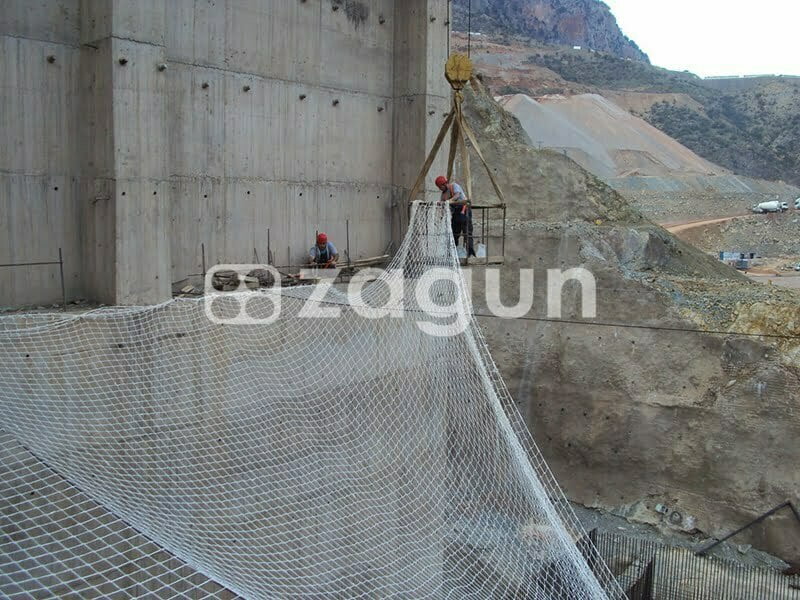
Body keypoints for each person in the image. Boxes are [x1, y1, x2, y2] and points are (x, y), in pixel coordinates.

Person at [435, 175, 475, 257]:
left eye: (440, 187)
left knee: (467, 232)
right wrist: (440, 217)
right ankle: (452, 253)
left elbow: (457, 195)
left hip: (464, 210)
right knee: (454, 233)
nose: (440, 189)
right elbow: (443, 207)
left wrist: (449, 201)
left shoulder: (454, 186)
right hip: (456, 212)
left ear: (444, 184)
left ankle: (470, 253)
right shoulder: (443, 195)